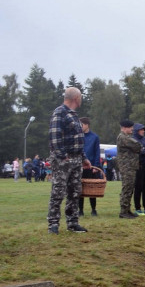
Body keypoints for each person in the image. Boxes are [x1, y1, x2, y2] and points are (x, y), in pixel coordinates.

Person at [46, 87, 88, 233]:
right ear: (76, 98)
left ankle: (72, 222)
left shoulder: (73, 115)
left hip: (76, 159)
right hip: (63, 159)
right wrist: (63, 156)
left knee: (75, 192)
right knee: (58, 191)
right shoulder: (60, 112)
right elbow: (54, 137)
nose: (81, 100)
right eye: (81, 97)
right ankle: (53, 224)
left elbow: (77, 139)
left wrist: (83, 158)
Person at [115, 120, 141, 219]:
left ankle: (127, 209)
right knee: (127, 188)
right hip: (127, 167)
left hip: (130, 166)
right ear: (125, 128)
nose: (132, 129)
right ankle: (123, 211)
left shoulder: (126, 137)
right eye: (130, 127)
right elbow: (138, 146)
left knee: (130, 188)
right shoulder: (123, 137)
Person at [78, 118, 101, 217]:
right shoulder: (77, 137)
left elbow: (97, 153)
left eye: (81, 125)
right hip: (79, 167)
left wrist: (96, 166)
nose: (80, 127)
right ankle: (80, 210)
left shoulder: (95, 137)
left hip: (91, 167)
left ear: (87, 125)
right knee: (79, 189)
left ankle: (93, 209)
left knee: (92, 189)